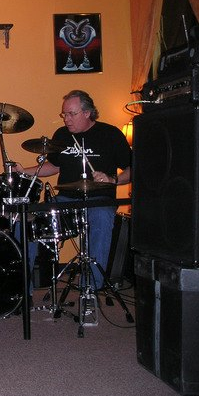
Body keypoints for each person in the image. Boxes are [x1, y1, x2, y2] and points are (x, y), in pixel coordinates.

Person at [15, 90, 131, 292]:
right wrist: (24, 171)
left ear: (87, 113)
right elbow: (55, 166)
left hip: (98, 200)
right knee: (26, 221)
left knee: (102, 218)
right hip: (66, 200)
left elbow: (133, 169)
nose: (66, 119)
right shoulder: (61, 135)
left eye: (71, 114)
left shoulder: (111, 134)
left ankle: (92, 287)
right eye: (64, 114)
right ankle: (22, 287)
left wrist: (113, 179)